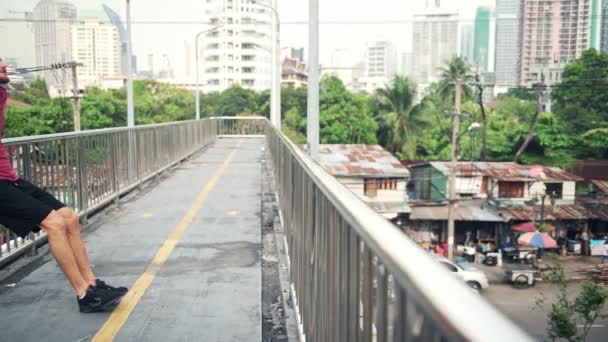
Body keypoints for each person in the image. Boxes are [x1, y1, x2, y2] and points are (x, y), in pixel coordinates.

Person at [0, 59, 127, 313]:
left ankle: (92, 285)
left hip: (8, 177)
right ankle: (84, 296)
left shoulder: (2, 93)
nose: (3, 66)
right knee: (54, 224)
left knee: (69, 217)